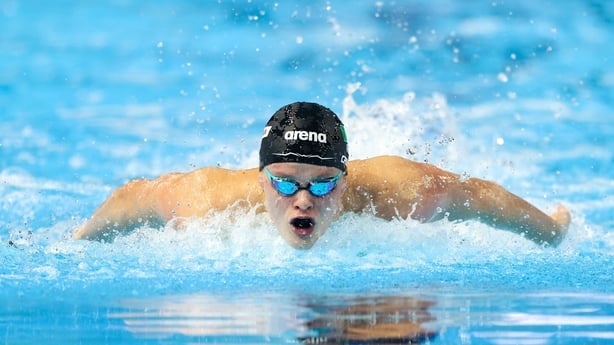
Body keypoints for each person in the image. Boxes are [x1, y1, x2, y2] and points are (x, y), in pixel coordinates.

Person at [73, 102, 570, 249]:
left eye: (324, 182)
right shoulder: (206, 199)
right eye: (285, 182)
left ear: (347, 180)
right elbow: (128, 198)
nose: (303, 199)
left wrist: (550, 229)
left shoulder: (403, 191)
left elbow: (478, 195)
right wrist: (78, 241)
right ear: (261, 176)